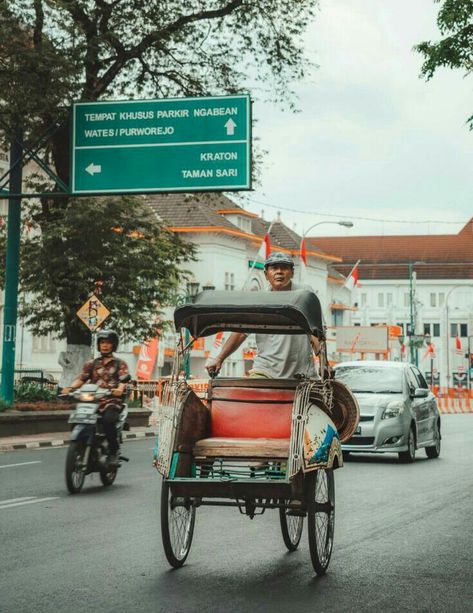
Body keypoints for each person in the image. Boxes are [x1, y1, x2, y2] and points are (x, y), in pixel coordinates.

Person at [206, 252, 321, 379]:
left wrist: (323, 361)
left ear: (292, 272)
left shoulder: (305, 295)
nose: (279, 272)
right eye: (274, 268)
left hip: (302, 372)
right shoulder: (259, 300)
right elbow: (240, 332)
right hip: (265, 370)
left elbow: (316, 333)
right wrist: (219, 358)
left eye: (284, 267)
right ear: (266, 274)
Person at [63, 329, 130, 465]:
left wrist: (119, 389)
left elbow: (124, 380)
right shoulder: (91, 363)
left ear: (113, 345)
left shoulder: (119, 364)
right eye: (102, 342)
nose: (105, 345)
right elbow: (81, 379)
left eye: (108, 343)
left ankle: (113, 451)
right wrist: (70, 388)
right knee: (77, 418)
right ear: (98, 345)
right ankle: (82, 444)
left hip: (111, 400)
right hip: (93, 400)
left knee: (108, 421)